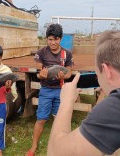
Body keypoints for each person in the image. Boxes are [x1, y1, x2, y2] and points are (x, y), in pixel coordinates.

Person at [26, 23, 74, 156]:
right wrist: (40, 74)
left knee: (60, 120)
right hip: (46, 90)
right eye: (50, 39)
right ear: (47, 39)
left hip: (61, 90)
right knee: (41, 119)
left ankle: (61, 146)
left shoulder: (67, 54)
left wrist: (63, 75)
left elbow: (69, 73)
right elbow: (38, 70)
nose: (53, 42)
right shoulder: (41, 52)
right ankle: (34, 146)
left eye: (56, 39)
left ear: (61, 39)